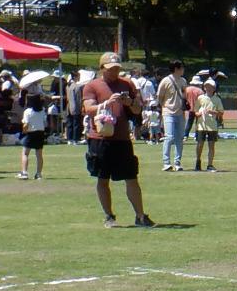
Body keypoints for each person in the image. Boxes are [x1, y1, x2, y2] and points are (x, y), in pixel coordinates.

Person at [79, 52, 153, 228]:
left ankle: (140, 216)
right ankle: (109, 216)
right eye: (111, 69)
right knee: (103, 178)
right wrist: (106, 103)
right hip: (100, 138)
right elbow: (88, 108)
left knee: (131, 177)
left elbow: (137, 110)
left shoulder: (127, 84)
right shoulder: (92, 86)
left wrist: (129, 103)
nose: (115, 72)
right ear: (102, 68)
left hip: (122, 138)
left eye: (117, 69)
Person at [158, 59, 188, 172]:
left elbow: (184, 96)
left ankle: (177, 162)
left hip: (180, 113)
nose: (183, 70)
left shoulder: (183, 81)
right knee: (169, 137)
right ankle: (166, 163)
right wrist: (164, 108)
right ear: (176, 69)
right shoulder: (166, 81)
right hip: (168, 112)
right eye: (182, 68)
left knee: (179, 138)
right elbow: (159, 97)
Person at [191, 78, 224, 171]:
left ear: (214, 88)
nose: (208, 88)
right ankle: (198, 161)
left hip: (212, 126)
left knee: (211, 145)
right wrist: (200, 113)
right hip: (201, 125)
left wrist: (212, 112)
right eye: (206, 86)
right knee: (200, 144)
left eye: (210, 86)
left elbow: (221, 112)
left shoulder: (217, 99)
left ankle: (210, 164)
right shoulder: (200, 98)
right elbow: (195, 112)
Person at [17, 88, 50, 180]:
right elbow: (45, 123)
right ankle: (38, 173)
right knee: (39, 155)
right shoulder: (42, 110)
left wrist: (24, 131)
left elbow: (26, 124)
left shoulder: (27, 111)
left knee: (25, 153)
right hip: (40, 133)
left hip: (31, 133)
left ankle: (24, 172)